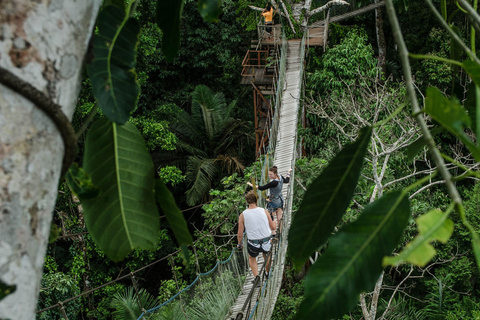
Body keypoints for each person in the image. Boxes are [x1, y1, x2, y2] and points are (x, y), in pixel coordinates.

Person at [237, 191, 275, 281]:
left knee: (252, 257)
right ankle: (267, 272)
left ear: (247, 201)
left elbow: (240, 233)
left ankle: (256, 277)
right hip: (266, 241)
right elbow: (273, 227)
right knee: (267, 255)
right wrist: (275, 222)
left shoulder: (242, 215)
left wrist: (240, 244)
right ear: (256, 200)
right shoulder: (264, 211)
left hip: (253, 244)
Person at [247, 166, 291, 236]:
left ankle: (273, 233)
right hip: (280, 200)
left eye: (271, 174)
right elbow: (287, 181)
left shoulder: (274, 183)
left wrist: (252, 185)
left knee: (271, 217)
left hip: (273, 202)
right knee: (279, 218)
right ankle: (281, 232)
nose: (269, 176)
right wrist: (288, 173)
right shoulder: (280, 177)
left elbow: (262, 188)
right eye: (269, 174)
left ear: (275, 174)